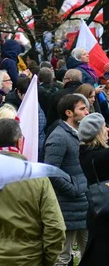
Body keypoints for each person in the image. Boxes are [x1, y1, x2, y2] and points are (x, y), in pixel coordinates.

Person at [0, 119, 66, 265]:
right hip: (30, 259)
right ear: (20, 142)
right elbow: (55, 227)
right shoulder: (38, 178)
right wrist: (47, 260)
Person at [45, 94, 90, 265]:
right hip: (68, 207)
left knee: (91, 254)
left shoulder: (77, 133)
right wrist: (73, 189)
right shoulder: (59, 137)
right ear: (69, 113)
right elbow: (51, 171)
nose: (87, 112)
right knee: (62, 257)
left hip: (83, 204)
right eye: (82, 108)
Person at [78, 113, 109, 265]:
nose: (107, 130)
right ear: (98, 132)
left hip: (96, 208)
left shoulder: (85, 153)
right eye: (104, 127)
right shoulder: (102, 156)